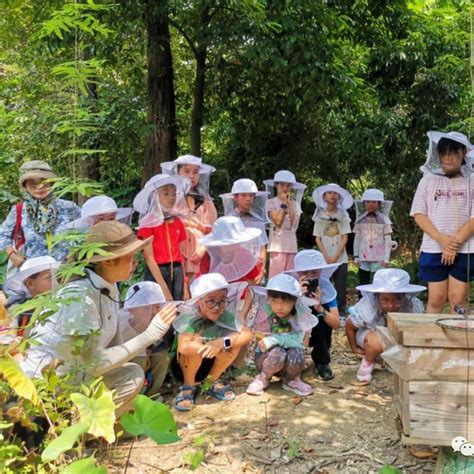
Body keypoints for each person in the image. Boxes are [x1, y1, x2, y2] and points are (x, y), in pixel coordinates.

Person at [20, 221, 177, 416]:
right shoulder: (81, 297)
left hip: (78, 377)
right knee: (130, 374)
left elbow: (115, 344)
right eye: (129, 257)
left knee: (132, 374)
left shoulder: (109, 287)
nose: (135, 263)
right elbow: (94, 364)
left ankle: (98, 427)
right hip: (50, 385)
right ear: (108, 261)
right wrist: (150, 334)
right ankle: (76, 427)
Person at [410, 131, 474, 313]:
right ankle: (432, 340)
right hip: (433, 247)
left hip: (466, 248)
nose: (449, 158)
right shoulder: (427, 180)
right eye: (444, 154)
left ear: (464, 153)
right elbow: (419, 214)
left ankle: (456, 341)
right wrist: (441, 239)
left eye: (454, 153)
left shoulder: (472, 180)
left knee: (458, 300)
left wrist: (453, 245)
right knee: (436, 299)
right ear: (438, 155)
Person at [172, 273, 252, 411]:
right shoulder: (191, 318)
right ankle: (188, 385)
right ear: (199, 301)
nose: (217, 306)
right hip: (184, 365)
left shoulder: (225, 315)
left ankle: (210, 382)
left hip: (211, 364)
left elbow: (247, 334)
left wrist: (221, 343)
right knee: (195, 340)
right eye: (211, 301)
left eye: (222, 301)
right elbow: (183, 346)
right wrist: (209, 348)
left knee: (234, 340)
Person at [345, 268, 425, 383]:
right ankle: (368, 362)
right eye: (385, 300)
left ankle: (393, 361)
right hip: (370, 333)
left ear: (404, 295)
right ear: (378, 296)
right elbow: (349, 325)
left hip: (397, 338)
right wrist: (354, 348)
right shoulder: (368, 307)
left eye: (397, 300)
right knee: (376, 340)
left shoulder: (412, 306)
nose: (391, 305)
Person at [0, 161, 80, 272]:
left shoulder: (69, 207)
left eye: (44, 181)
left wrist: (73, 257)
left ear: (52, 183)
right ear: (24, 186)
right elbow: (2, 235)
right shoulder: (19, 210)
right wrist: (14, 256)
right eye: (32, 183)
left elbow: (84, 234)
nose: (39, 187)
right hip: (33, 274)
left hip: (67, 272)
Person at [246, 273, 317, 396]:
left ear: (294, 301)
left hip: (291, 363)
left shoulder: (299, 316)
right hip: (267, 359)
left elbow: (301, 342)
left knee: (297, 352)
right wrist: (283, 340)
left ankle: (292, 379)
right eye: (274, 300)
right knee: (278, 352)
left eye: (284, 301)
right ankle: (263, 378)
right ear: (269, 299)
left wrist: (276, 339)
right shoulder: (264, 313)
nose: (279, 307)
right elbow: (262, 340)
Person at [133, 174, 191, 301]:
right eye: (166, 193)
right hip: (157, 272)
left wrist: (185, 283)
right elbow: (149, 258)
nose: (171, 197)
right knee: (159, 310)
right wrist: (163, 288)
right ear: (155, 196)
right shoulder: (148, 223)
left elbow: (181, 255)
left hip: (177, 272)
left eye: (174, 193)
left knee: (177, 310)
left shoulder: (177, 222)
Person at [161, 155, 218, 281]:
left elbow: (212, 231)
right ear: (177, 172)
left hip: (197, 253)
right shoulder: (168, 198)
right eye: (187, 171)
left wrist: (203, 248)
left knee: (196, 290)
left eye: (195, 172)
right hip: (173, 251)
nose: (191, 176)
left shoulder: (206, 201)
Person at [286, 250, 340, 381]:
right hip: (295, 332)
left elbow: (336, 324)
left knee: (321, 321)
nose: (310, 276)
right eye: (305, 273)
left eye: (314, 272)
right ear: (298, 273)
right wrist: (296, 296)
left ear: (321, 271)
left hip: (317, 334)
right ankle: (288, 360)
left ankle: (322, 362)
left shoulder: (327, 291)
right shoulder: (290, 288)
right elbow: (282, 317)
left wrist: (319, 307)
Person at [119, 282, 170, 397]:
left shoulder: (153, 320)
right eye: (153, 307)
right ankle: (131, 398)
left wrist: (148, 351)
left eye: (158, 307)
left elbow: (152, 340)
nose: (155, 312)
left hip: (144, 353)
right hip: (122, 367)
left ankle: (151, 395)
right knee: (139, 362)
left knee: (162, 357)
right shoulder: (122, 325)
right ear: (133, 309)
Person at [312, 183, 353, 319]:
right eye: (329, 193)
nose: (332, 195)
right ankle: (324, 309)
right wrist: (326, 255)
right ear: (324, 196)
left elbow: (345, 237)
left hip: (341, 257)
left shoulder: (343, 216)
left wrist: (336, 256)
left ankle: (340, 311)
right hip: (324, 258)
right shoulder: (319, 216)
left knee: (341, 284)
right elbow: (317, 238)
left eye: (335, 193)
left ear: (339, 197)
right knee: (324, 283)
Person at [220, 179, 269, 283]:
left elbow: (262, 247)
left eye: (251, 195)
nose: (248, 199)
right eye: (244, 195)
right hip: (234, 267)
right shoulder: (228, 220)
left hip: (255, 267)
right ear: (235, 197)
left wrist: (261, 270)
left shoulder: (258, 220)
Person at [3, 256, 60, 337]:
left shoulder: (64, 302)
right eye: (49, 277)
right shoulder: (17, 310)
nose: (56, 282)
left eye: (57, 276)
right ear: (30, 284)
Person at [263, 170, 306, 278]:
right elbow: (277, 222)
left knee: (291, 277)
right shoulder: (270, 202)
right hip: (277, 245)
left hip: (291, 244)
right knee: (276, 276)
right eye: (282, 185)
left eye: (288, 185)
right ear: (276, 185)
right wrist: (283, 204)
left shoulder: (295, 204)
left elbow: (293, 223)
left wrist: (289, 203)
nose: (285, 188)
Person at [353, 189, 395, 287]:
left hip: (380, 258)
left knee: (380, 283)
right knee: (363, 283)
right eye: (368, 202)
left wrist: (386, 257)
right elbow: (357, 238)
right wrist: (356, 256)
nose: (371, 204)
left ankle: (379, 301)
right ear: (364, 204)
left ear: (379, 204)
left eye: (374, 202)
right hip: (363, 257)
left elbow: (388, 239)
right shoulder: (360, 220)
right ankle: (363, 301)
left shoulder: (385, 220)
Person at [67, 195, 133, 230]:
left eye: (111, 218)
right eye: (101, 219)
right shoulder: (78, 241)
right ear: (88, 220)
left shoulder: (120, 235)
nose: (106, 223)